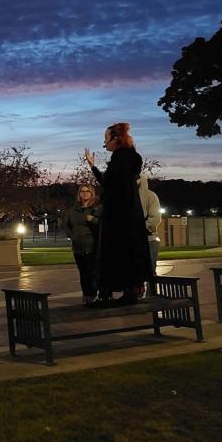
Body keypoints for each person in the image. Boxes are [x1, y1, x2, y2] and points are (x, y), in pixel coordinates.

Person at [85, 122, 153, 306]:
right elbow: (112, 183)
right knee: (129, 250)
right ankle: (130, 289)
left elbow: (110, 185)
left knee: (120, 251)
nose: (104, 143)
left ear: (116, 139)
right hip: (127, 216)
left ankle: (126, 291)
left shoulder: (121, 159)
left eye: (106, 139)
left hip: (120, 217)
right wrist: (93, 167)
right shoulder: (127, 158)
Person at [65, 185, 101, 305]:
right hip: (77, 247)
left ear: (92, 194)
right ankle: (86, 294)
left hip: (92, 246)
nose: (84, 193)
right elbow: (66, 225)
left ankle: (93, 294)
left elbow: (102, 224)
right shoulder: (73, 210)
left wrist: (93, 220)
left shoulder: (96, 209)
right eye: (82, 191)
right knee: (83, 272)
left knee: (92, 272)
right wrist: (72, 236)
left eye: (87, 191)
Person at [138, 175, 163, 273]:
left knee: (149, 269)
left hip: (149, 238)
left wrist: (142, 226)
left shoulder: (151, 196)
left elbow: (155, 217)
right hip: (133, 238)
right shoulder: (128, 197)